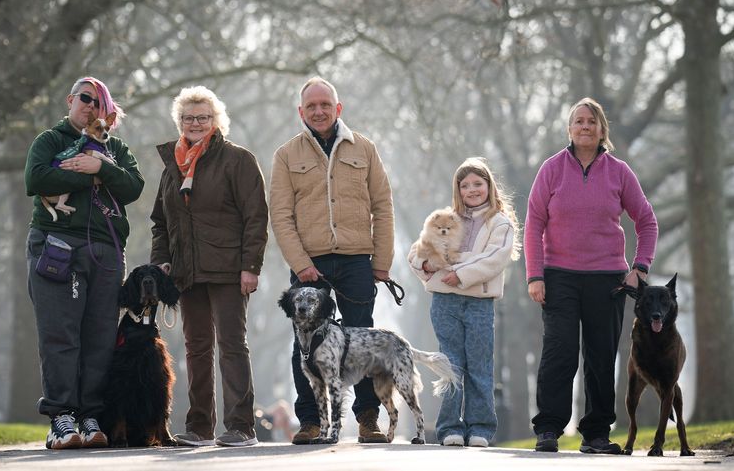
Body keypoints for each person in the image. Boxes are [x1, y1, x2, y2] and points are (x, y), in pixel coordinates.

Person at [525, 97, 658, 454]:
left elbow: (646, 221)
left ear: (602, 131)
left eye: (591, 121)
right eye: (578, 121)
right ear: (569, 129)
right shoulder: (552, 169)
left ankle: (596, 433)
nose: (585, 126)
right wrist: (535, 275)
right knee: (560, 352)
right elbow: (534, 223)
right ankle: (549, 428)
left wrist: (639, 268)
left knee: (601, 356)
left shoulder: (619, 172)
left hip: (608, 280)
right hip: (559, 277)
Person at [269, 76, 395, 444]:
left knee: (361, 341)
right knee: (305, 344)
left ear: (338, 108)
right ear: (301, 112)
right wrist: (300, 263)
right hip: (310, 263)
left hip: (357, 259)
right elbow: (281, 215)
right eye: (312, 106)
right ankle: (308, 421)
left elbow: (382, 207)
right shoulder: (286, 155)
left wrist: (382, 262)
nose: (319, 111)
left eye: (326, 105)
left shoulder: (365, 149)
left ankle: (367, 419)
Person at [24, 76, 144, 449]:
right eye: (85, 99)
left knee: (100, 336)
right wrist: (83, 174)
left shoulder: (117, 148)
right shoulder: (49, 141)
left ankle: (91, 415)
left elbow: (133, 187)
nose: (91, 106)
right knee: (60, 333)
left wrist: (101, 169)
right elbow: (36, 178)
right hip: (57, 244)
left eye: (99, 103)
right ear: (71, 100)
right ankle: (61, 416)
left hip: (106, 250)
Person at [150, 85, 268, 447]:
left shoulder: (237, 160)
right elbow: (160, 221)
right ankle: (199, 427)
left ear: (216, 121)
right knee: (195, 348)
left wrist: (251, 266)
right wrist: (162, 263)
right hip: (187, 273)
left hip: (229, 269)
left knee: (232, 344)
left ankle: (241, 427)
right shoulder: (172, 166)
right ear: (179, 121)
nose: (196, 123)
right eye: (188, 117)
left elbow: (256, 216)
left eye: (203, 117)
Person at [408, 157, 520, 447]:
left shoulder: (500, 223)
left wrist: (456, 270)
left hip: (479, 302)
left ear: (488, 186)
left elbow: (494, 258)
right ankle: (449, 428)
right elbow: (417, 250)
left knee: (480, 364)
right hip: (445, 301)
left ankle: (480, 427)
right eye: (465, 185)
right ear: (457, 190)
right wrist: (426, 263)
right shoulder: (445, 218)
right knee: (450, 364)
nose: (471, 190)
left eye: (477, 184)